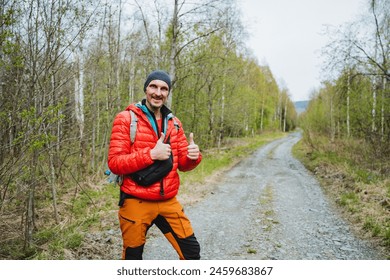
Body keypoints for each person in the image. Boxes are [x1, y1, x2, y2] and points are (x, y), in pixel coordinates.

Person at [107, 70, 202, 260]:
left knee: (191, 253)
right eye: (154, 86)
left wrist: (193, 157)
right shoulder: (126, 119)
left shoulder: (174, 123)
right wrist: (151, 154)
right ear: (146, 89)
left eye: (164, 88)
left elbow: (182, 164)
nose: (158, 93)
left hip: (168, 201)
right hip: (136, 200)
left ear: (168, 93)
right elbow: (115, 163)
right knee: (133, 258)